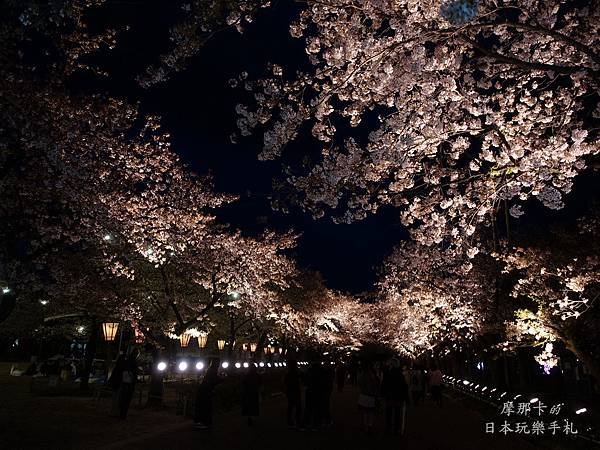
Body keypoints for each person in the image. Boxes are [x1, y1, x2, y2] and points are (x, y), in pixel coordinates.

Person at [381, 359, 409, 435]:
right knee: (397, 413)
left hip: (389, 396)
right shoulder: (400, 374)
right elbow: (404, 387)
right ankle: (396, 429)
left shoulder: (388, 373)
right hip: (398, 397)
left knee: (389, 413)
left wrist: (383, 394)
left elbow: (384, 385)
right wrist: (406, 397)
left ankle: (389, 428)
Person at [194, 358, 221, 429]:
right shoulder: (212, 371)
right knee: (204, 407)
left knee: (204, 407)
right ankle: (202, 422)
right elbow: (214, 380)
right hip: (205, 392)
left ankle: (202, 421)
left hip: (205, 391)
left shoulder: (210, 370)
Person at [357, 361, 379, 434]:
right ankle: (369, 425)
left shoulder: (362, 374)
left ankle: (366, 425)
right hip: (370, 395)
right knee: (370, 412)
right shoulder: (373, 375)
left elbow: (359, 383)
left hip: (364, 394)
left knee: (365, 412)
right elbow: (375, 385)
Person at [302, 359, 324, 430]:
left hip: (310, 391)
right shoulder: (321, 371)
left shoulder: (309, 371)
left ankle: (307, 423)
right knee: (317, 408)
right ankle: (317, 424)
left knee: (308, 408)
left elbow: (304, 381)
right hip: (318, 391)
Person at [284, 360, 302, 429]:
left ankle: (290, 421)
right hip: (295, 390)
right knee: (297, 406)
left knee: (291, 406)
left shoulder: (288, 373)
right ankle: (297, 420)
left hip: (290, 391)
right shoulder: (296, 372)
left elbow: (285, 382)